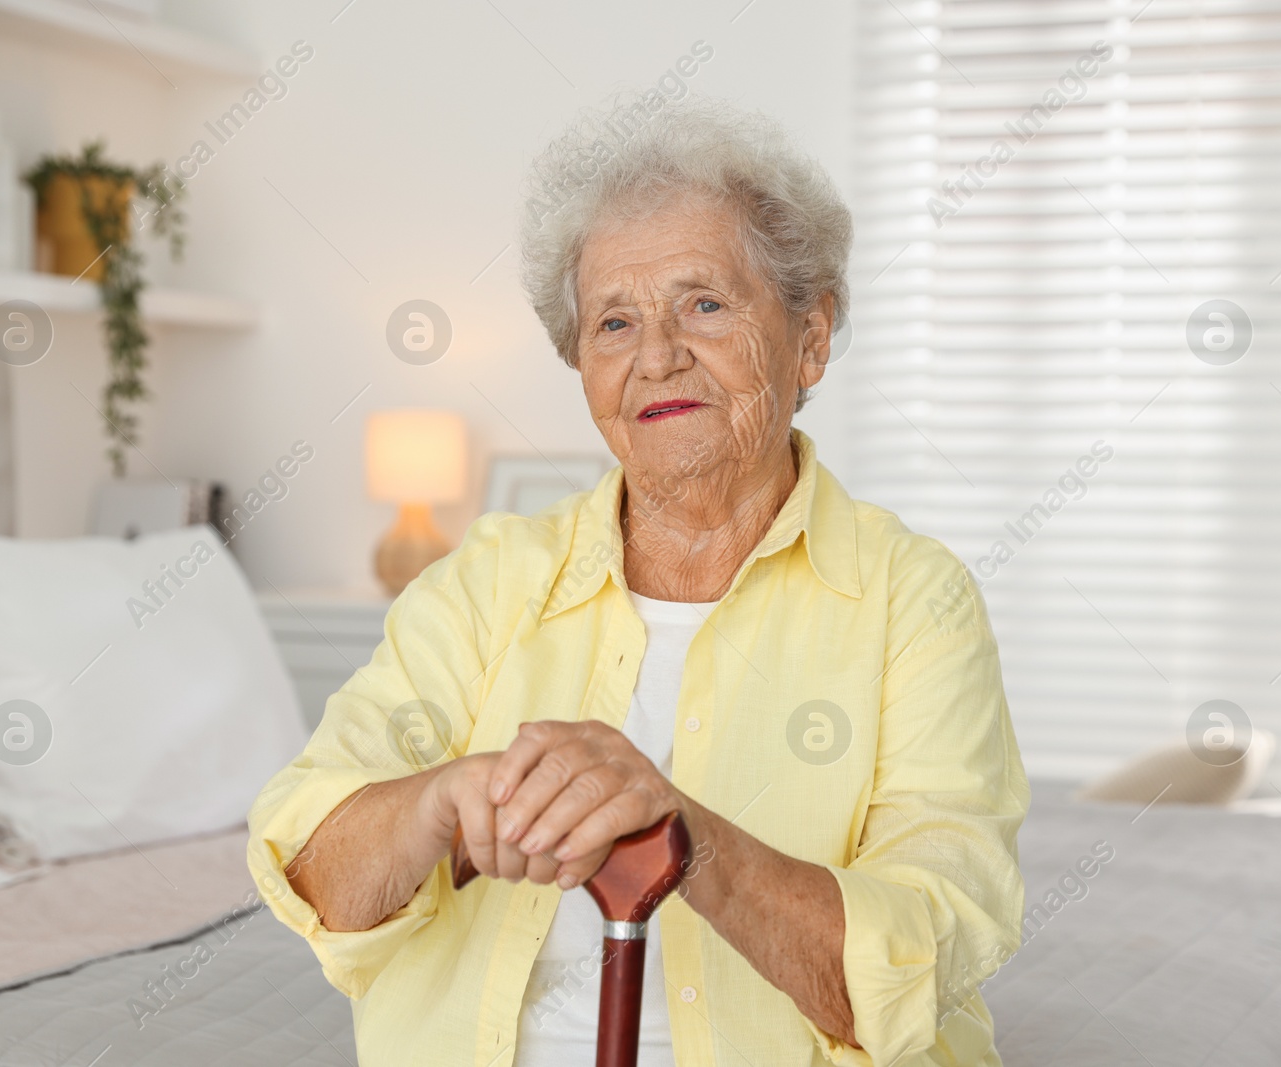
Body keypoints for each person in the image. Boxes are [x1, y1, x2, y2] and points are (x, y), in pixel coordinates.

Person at [247, 96, 1029, 1067]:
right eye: (614, 321)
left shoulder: (914, 599)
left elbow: (927, 957)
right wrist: (439, 804)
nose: (655, 355)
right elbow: (310, 872)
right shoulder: (485, 582)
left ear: (810, 337)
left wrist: (683, 835)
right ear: (581, 363)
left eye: (703, 303)